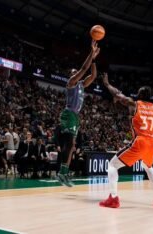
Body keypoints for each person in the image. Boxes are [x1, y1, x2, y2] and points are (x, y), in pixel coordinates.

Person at [99, 73, 153, 208]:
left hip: (141, 141)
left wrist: (107, 84)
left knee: (112, 165)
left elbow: (118, 94)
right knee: (148, 167)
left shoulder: (134, 104)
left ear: (139, 95)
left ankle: (113, 198)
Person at [55, 40, 100, 187]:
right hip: (68, 114)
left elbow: (93, 76)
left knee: (72, 145)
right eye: (74, 72)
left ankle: (64, 173)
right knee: (68, 143)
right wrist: (90, 54)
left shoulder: (82, 84)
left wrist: (94, 59)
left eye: (76, 72)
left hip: (75, 117)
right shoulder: (71, 82)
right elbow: (83, 68)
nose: (76, 73)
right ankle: (61, 173)